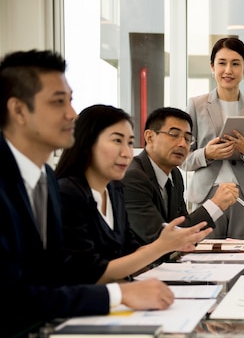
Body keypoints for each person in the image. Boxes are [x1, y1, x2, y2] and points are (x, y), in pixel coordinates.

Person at [0, 49, 174, 338]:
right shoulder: (52, 188)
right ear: (18, 111)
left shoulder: (46, 183)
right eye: (58, 102)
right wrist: (118, 293)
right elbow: (12, 298)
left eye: (70, 100)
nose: (72, 114)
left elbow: (55, 281)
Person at [55, 104, 208, 284]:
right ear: (87, 142)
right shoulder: (67, 194)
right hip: (85, 305)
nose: (127, 153)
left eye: (129, 143)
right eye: (117, 141)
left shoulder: (114, 190)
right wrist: (161, 246)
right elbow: (87, 272)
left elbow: (131, 251)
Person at [181, 37, 244, 239]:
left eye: (235, 64)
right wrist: (207, 154)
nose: (228, 70)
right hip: (206, 196)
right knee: (204, 262)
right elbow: (183, 160)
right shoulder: (196, 105)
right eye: (222, 63)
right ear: (212, 67)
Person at [122, 107, 239, 246]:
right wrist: (216, 204)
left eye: (187, 138)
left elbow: (183, 225)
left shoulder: (175, 174)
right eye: (174, 134)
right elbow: (160, 238)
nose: (182, 144)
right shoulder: (133, 177)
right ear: (150, 137)